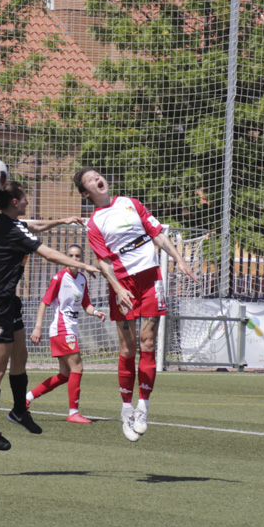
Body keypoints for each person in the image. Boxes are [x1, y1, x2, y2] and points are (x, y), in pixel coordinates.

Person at [73, 168, 200, 442]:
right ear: (86, 193)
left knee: (148, 344)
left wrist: (178, 258)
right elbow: (104, 262)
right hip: (123, 285)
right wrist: (117, 288)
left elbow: (157, 233)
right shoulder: (95, 223)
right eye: (90, 179)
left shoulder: (131, 203)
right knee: (128, 348)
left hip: (150, 278)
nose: (97, 178)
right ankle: (126, 408)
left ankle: (143, 407)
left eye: (97, 174)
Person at [0, 177, 102, 451]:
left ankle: (19, 410)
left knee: (20, 358)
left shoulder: (11, 224)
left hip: (9, 302)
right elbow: (50, 254)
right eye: (24, 198)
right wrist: (82, 264)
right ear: (14, 202)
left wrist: (63, 220)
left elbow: (35, 225)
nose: (28, 201)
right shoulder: (10, 230)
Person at [28, 244, 108, 424]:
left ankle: (27, 397)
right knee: (77, 367)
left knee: (65, 374)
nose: (74, 259)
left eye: (78, 256)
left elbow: (86, 304)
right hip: (61, 328)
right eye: (70, 255)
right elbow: (44, 302)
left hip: (71, 328)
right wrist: (38, 327)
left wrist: (96, 312)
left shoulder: (82, 279)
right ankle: (73, 412)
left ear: (81, 258)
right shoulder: (59, 278)